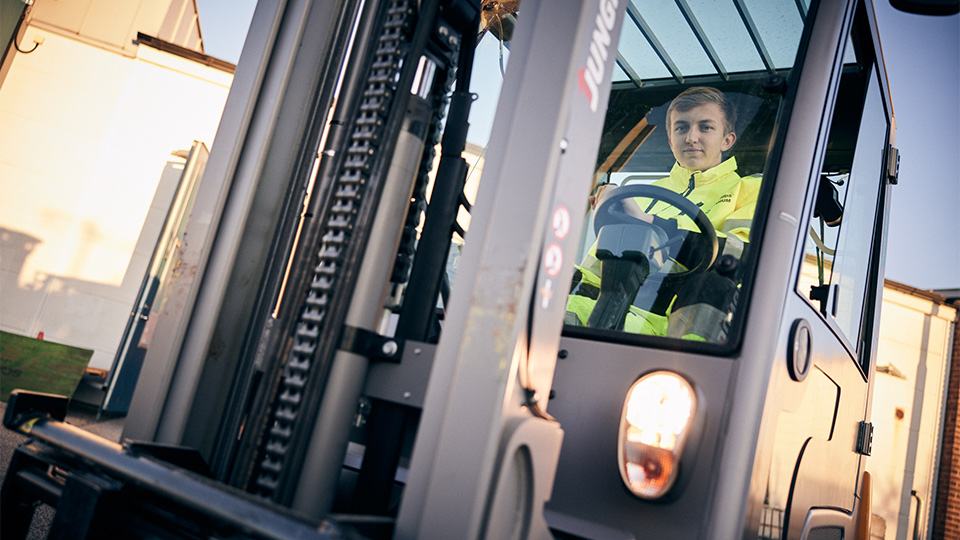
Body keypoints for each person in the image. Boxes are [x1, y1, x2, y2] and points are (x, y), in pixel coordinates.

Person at [566, 86, 761, 340]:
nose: (691, 137)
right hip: (612, 311)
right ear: (670, 140)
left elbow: (739, 259)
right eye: (681, 128)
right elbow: (594, 270)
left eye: (705, 127)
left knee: (714, 285)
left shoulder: (749, 189)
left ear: (727, 140)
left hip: (679, 328)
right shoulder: (642, 193)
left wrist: (653, 224)